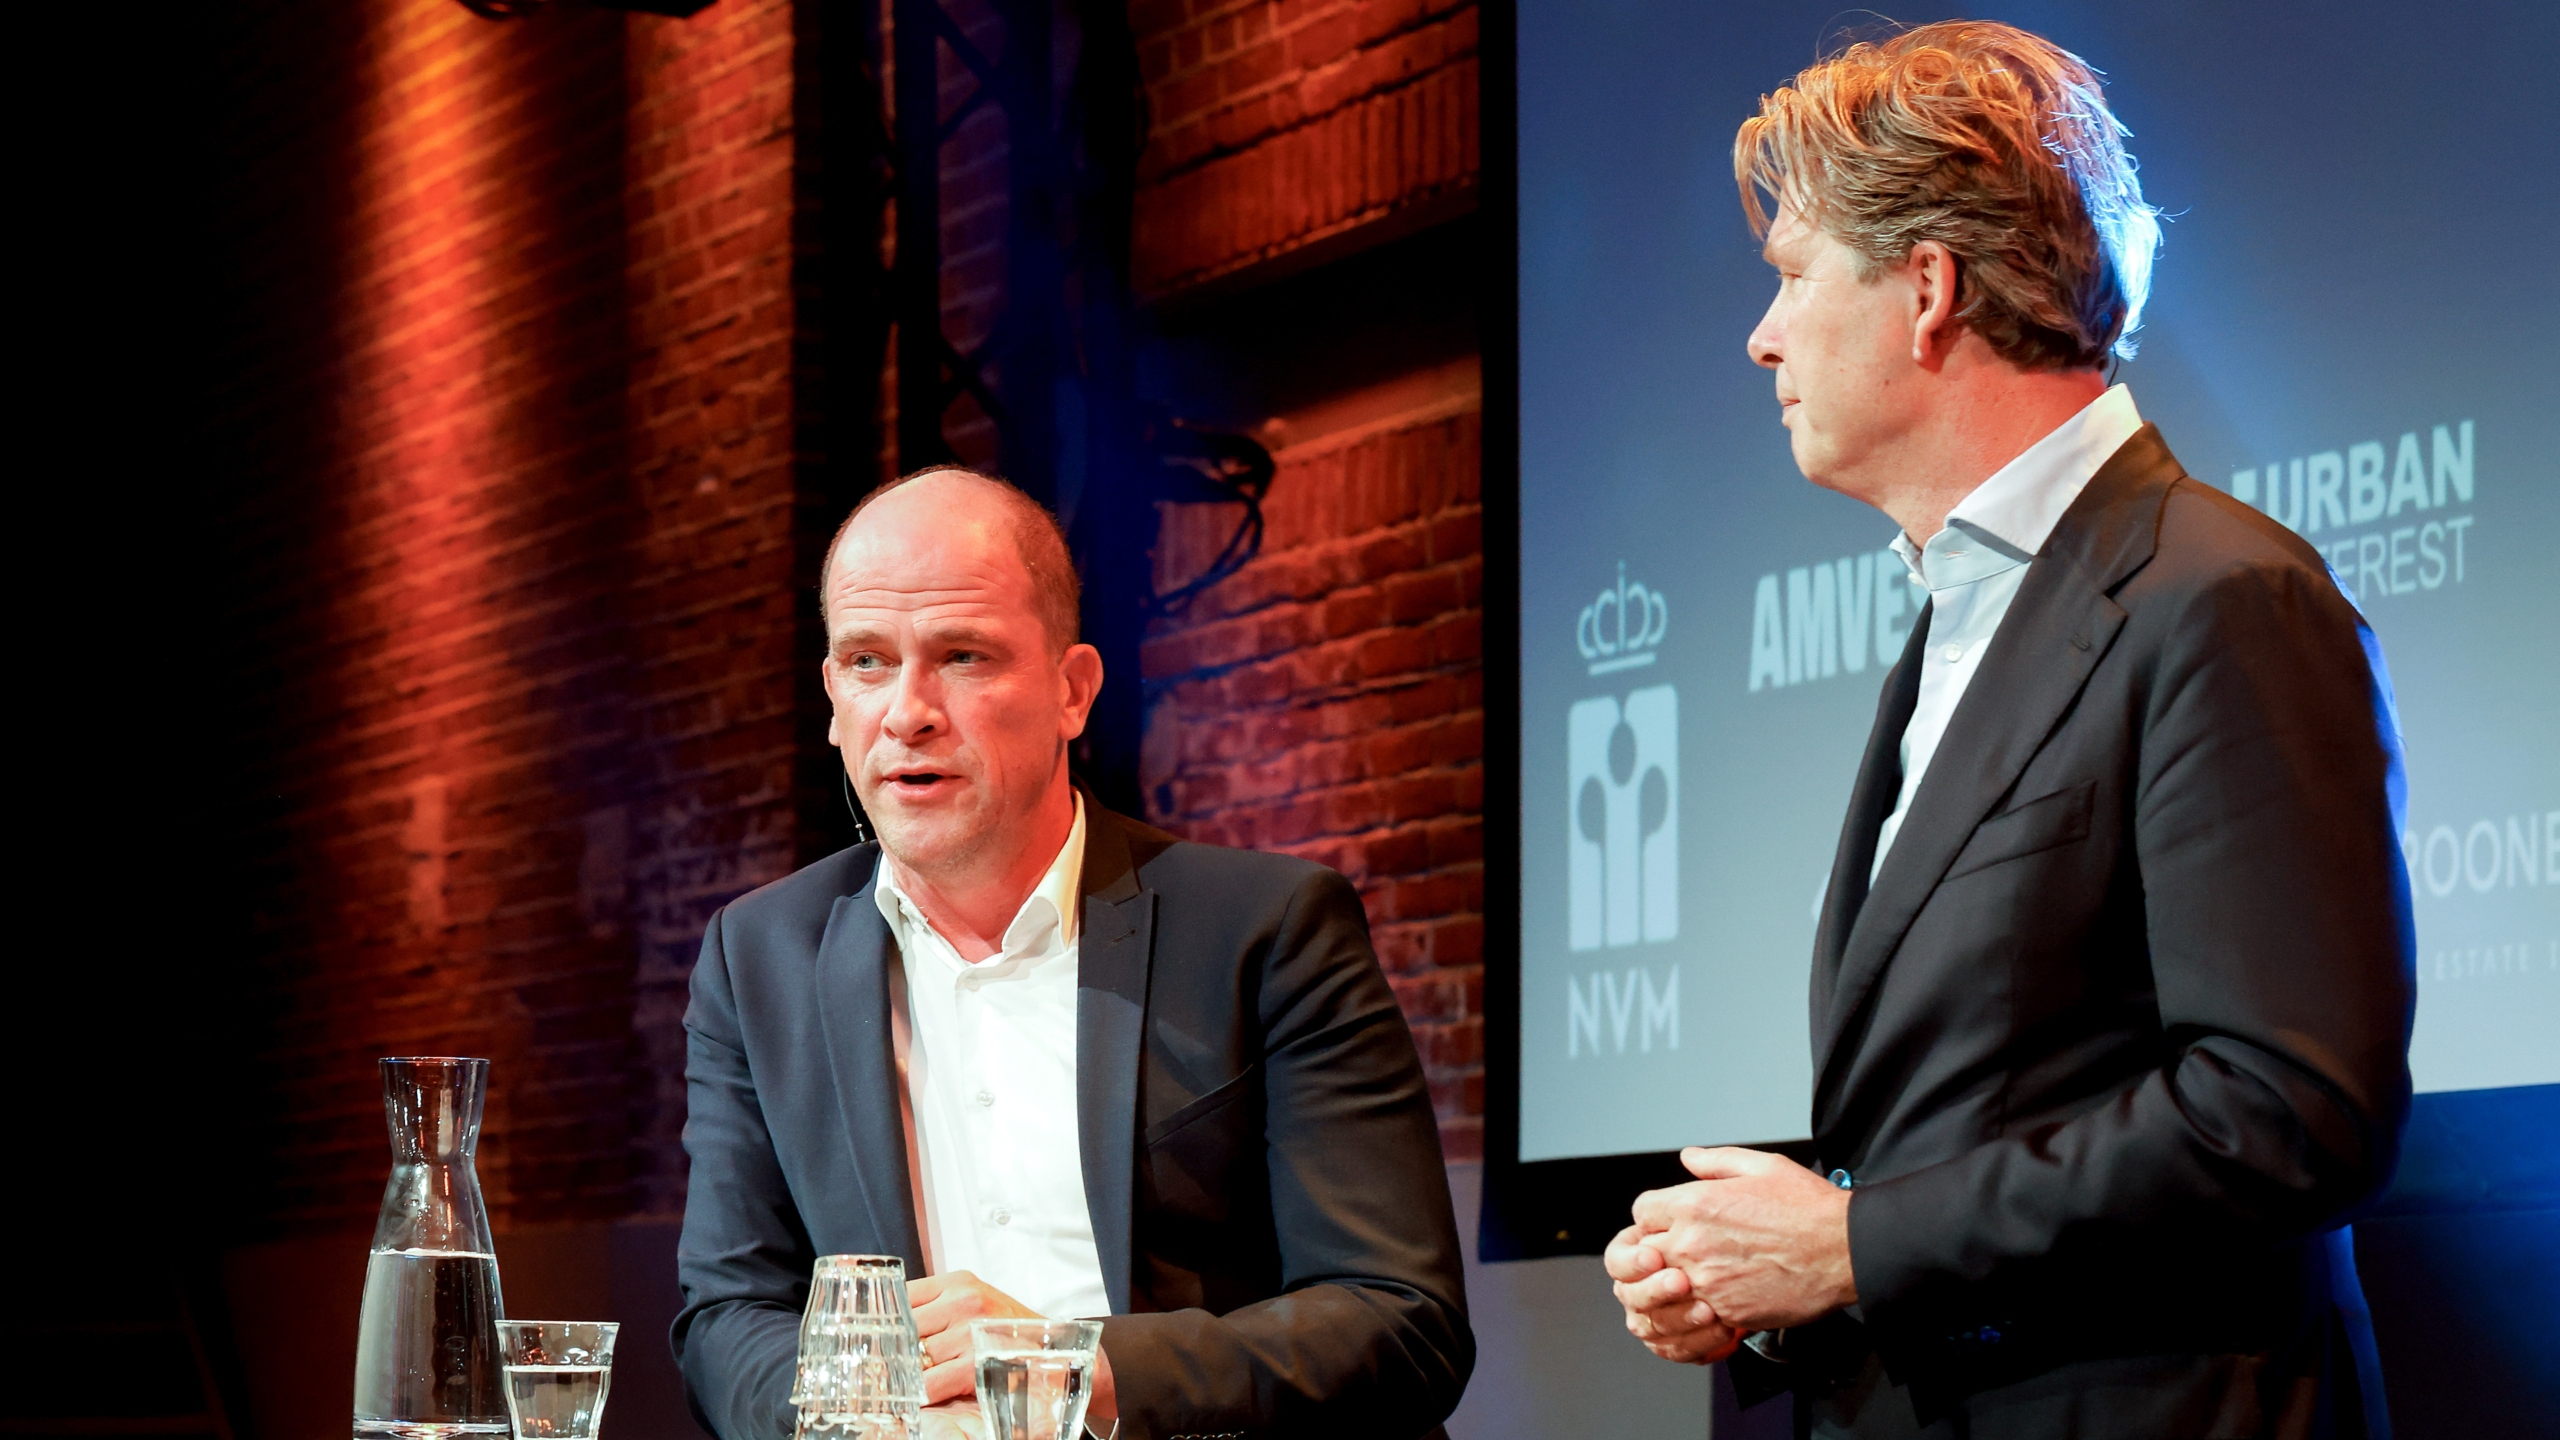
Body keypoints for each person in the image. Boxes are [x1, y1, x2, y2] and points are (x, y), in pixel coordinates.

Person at [1604, 22, 2414, 1439]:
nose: (1762, 334)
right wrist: (1773, 1273)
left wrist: (1849, 1246)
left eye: (1793, 278)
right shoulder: (1965, 615)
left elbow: (2288, 1109)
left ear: (1926, 291)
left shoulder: (2223, 597)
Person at [672, 468, 1472, 1439]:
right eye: (869, 662)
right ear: (834, 697)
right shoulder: (760, 957)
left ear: (1071, 689)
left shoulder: (1264, 928)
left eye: (962, 656)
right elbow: (727, 1314)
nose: (909, 711)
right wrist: (852, 1418)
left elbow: (1400, 1320)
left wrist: (1068, 1365)